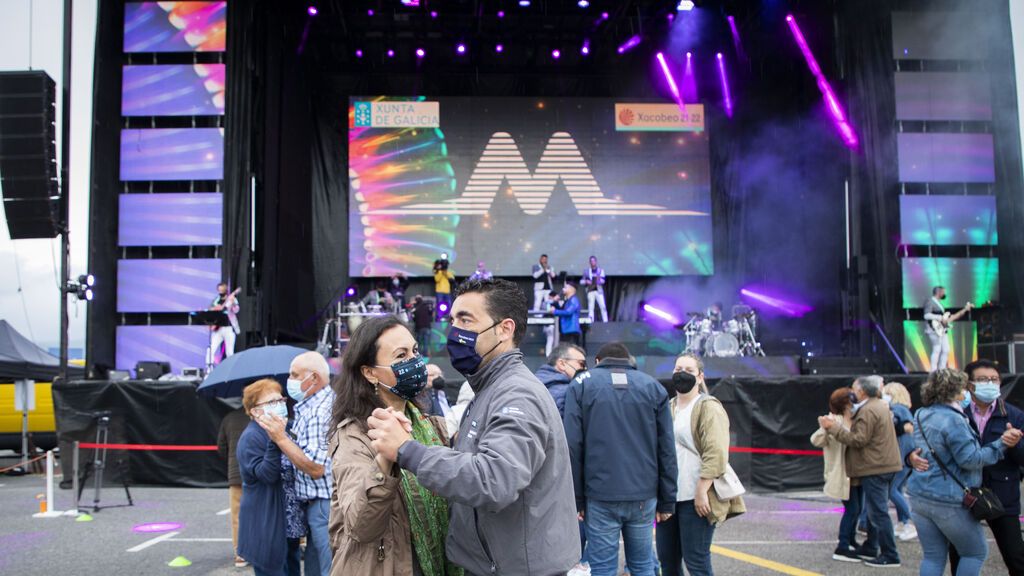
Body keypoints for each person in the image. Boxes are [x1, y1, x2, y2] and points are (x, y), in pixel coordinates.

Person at [366, 278, 581, 575]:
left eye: (466, 319)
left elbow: (494, 481)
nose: (454, 331)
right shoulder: (490, 389)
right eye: (453, 319)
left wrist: (407, 450)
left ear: (505, 329)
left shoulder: (516, 393)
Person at [327, 315, 462, 575]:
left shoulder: (431, 427)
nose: (414, 362)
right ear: (369, 372)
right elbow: (361, 526)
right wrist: (385, 458)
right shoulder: (355, 435)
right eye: (400, 356)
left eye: (415, 351)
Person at [563, 342, 677, 576]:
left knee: (602, 568)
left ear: (597, 362)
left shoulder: (582, 385)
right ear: (629, 360)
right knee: (643, 565)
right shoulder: (653, 387)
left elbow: (572, 446)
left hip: (599, 493)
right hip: (644, 495)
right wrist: (667, 500)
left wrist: (576, 500)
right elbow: (666, 448)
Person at [911, 359, 1024, 574]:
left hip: (998, 496)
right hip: (959, 498)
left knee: (1015, 556)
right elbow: (967, 458)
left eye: (994, 380)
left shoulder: (1014, 415)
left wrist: (1015, 444)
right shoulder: (956, 416)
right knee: (969, 553)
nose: (989, 384)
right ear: (966, 386)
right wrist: (1002, 443)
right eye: (982, 380)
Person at [656, 353, 744, 576]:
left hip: (695, 497)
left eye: (688, 369)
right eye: (677, 369)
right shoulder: (668, 406)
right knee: (668, 561)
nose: (681, 374)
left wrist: (702, 491)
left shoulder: (708, 407)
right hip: (670, 497)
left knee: (696, 561)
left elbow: (716, 453)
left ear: (700, 376)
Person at [258, 352, 335, 576]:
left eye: (294, 375)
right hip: (318, 505)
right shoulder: (312, 407)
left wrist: (280, 438)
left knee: (326, 568)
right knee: (316, 566)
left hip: (323, 504)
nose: (289, 381)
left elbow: (316, 468)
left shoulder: (320, 412)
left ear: (313, 379)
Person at [818, 375, 902, 567]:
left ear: (863, 391)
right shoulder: (879, 406)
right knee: (873, 511)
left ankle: (890, 554)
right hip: (883, 465)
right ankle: (871, 547)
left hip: (875, 467)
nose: (852, 392)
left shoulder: (868, 410)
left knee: (878, 512)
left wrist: (834, 429)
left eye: (855, 389)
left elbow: (858, 439)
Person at [237, 379, 288, 576]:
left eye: (281, 400)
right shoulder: (252, 437)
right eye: (271, 402)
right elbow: (267, 474)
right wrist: (276, 442)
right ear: (254, 411)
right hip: (264, 521)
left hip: (282, 520)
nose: (279, 405)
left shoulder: (277, 430)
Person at [810, 387, 860, 562]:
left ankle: (852, 540)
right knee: (852, 509)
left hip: (858, 471)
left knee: (857, 509)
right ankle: (843, 546)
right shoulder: (834, 420)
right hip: (842, 473)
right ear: (846, 403)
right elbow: (816, 440)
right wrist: (826, 428)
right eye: (852, 399)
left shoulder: (858, 418)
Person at [217, 405, 251, 568]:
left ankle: (240, 554)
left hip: (235, 473)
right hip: (258, 474)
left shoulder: (229, 417)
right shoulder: (263, 417)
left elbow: (221, 447)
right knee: (261, 513)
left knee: (237, 516)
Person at [884, 382, 917, 541]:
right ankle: (903, 522)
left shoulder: (897, 410)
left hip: (900, 457)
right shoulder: (904, 409)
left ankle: (912, 522)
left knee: (892, 490)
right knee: (898, 489)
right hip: (904, 456)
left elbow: (901, 427)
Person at [535, 342, 586, 417]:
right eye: (581, 364)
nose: (585, 368)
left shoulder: (531, 383)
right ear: (561, 364)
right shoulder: (569, 392)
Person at [208, 282, 241, 366]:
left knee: (229, 352)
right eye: (219, 290)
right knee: (211, 349)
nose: (220, 291)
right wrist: (216, 308)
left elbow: (236, 310)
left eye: (222, 290)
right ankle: (208, 369)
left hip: (228, 328)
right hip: (218, 328)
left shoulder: (232, 299)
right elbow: (211, 309)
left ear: (226, 290)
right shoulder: (216, 300)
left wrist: (233, 304)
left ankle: (230, 370)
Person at [922, 286, 950, 372]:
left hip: (942, 329)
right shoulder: (930, 301)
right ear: (938, 292)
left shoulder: (939, 302)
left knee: (946, 349)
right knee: (937, 349)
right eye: (943, 292)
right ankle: (933, 370)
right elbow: (926, 315)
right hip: (933, 329)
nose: (944, 294)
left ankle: (942, 369)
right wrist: (939, 317)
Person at [580, 256, 608, 323]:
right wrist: (586, 281)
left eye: (593, 261)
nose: (592, 262)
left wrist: (598, 280)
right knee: (591, 307)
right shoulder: (586, 271)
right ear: (589, 262)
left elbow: (603, 281)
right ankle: (591, 321)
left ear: (596, 261)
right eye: (591, 261)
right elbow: (581, 281)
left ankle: (605, 321)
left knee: (603, 306)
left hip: (598, 290)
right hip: (590, 291)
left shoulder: (600, 271)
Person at [433, 254, 456, 320]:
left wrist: (445, 271)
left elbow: (452, 279)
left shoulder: (448, 272)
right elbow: (437, 279)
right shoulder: (437, 272)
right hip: (439, 291)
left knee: (449, 305)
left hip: (447, 291)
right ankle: (439, 318)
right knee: (440, 305)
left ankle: (448, 318)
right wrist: (440, 271)